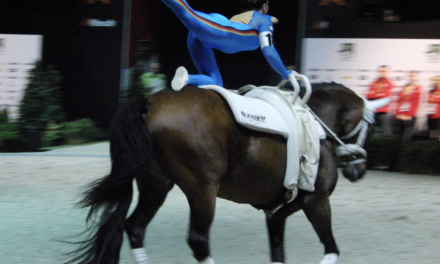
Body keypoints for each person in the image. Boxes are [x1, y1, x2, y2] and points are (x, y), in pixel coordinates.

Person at [161, 0, 292, 90]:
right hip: (221, 31)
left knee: (216, 84)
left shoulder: (241, 16)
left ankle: (186, 78)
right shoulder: (264, 20)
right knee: (188, 14)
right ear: (264, 6)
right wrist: (286, 74)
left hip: (199, 38)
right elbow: (269, 52)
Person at [394, 71, 421, 144]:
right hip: (401, 116)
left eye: (413, 76)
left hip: (409, 116)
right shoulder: (403, 88)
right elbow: (399, 101)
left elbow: (416, 103)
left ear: (416, 77)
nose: (411, 77)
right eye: (409, 76)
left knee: (407, 136)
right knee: (399, 136)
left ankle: (405, 152)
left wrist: (409, 115)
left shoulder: (418, 88)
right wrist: (398, 114)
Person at [366, 65, 393, 136]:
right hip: (373, 110)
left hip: (382, 111)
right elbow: (368, 95)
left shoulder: (389, 83)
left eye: (384, 71)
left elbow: (386, 96)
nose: (382, 73)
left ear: (388, 72)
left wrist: (375, 94)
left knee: (386, 132)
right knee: (368, 131)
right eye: (380, 71)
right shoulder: (374, 82)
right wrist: (379, 94)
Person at [427, 75, 440, 140]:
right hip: (431, 117)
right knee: (433, 137)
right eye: (435, 80)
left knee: (438, 138)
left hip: (438, 118)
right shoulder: (430, 92)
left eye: (438, 80)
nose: (436, 82)